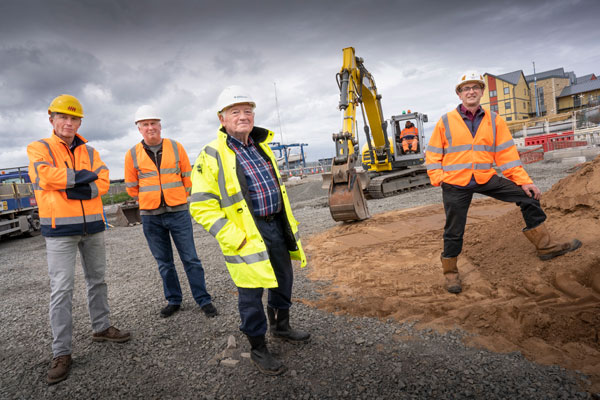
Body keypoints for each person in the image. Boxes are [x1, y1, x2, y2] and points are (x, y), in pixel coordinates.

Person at [189, 86, 310, 376]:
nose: (243, 116)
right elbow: (201, 207)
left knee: (283, 280)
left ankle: (281, 327)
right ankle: (257, 347)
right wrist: (234, 237)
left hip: (275, 226)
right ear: (222, 119)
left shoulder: (261, 145)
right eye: (235, 112)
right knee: (251, 294)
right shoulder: (212, 153)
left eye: (247, 111)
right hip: (246, 237)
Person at [425, 71, 582, 294]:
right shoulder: (445, 121)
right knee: (454, 228)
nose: (471, 91)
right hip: (455, 182)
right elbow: (432, 154)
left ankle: (546, 247)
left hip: (484, 178)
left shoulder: (494, 120)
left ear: (481, 92)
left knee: (528, 196)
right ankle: (450, 273)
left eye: (475, 88)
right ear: (459, 94)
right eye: (466, 88)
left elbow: (507, 156)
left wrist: (524, 182)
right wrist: (439, 179)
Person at [27, 94, 130, 385]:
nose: (68, 123)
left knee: (98, 280)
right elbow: (45, 176)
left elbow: (105, 180)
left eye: (74, 118)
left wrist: (73, 186)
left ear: (80, 122)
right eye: (63, 117)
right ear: (52, 120)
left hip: (94, 226)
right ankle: (62, 353)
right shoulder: (39, 148)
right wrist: (83, 178)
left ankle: (101, 328)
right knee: (61, 290)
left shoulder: (91, 151)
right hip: (60, 231)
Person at [124, 105, 217, 319]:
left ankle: (203, 300)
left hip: (178, 213)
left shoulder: (176, 147)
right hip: (151, 216)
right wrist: (150, 199)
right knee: (164, 262)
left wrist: (178, 198)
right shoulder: (132, 154)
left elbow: (188, 177)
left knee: (191, 259)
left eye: (153, 123)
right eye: (145, 124)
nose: (150, 128)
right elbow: (131, 187)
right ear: (139, 128)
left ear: (160, 125)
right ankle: (174, 300)